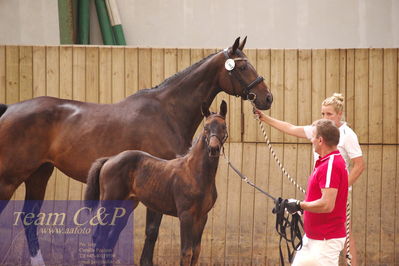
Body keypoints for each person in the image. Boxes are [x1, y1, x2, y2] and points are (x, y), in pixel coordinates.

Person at [254, 93, 364, 265]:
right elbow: (290, 128)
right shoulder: (319, 129)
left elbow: (359, 165)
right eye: (323, 114)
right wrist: (264, 118)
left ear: (339, 114)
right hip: (322, 186)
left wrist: (340, 189)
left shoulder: (346, 135)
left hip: (334, 189)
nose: (325, 117)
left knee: (343, 234)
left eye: (330, 114)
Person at [285, 119, 348, 266]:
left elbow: (327, 205)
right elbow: (320, 199)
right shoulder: (324, 162)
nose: (311, 140)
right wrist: (301, 209)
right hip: (313, 238)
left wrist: (300, 205)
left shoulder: (330, 165)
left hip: (325, 241)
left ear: (320, 140)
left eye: (313, 137)